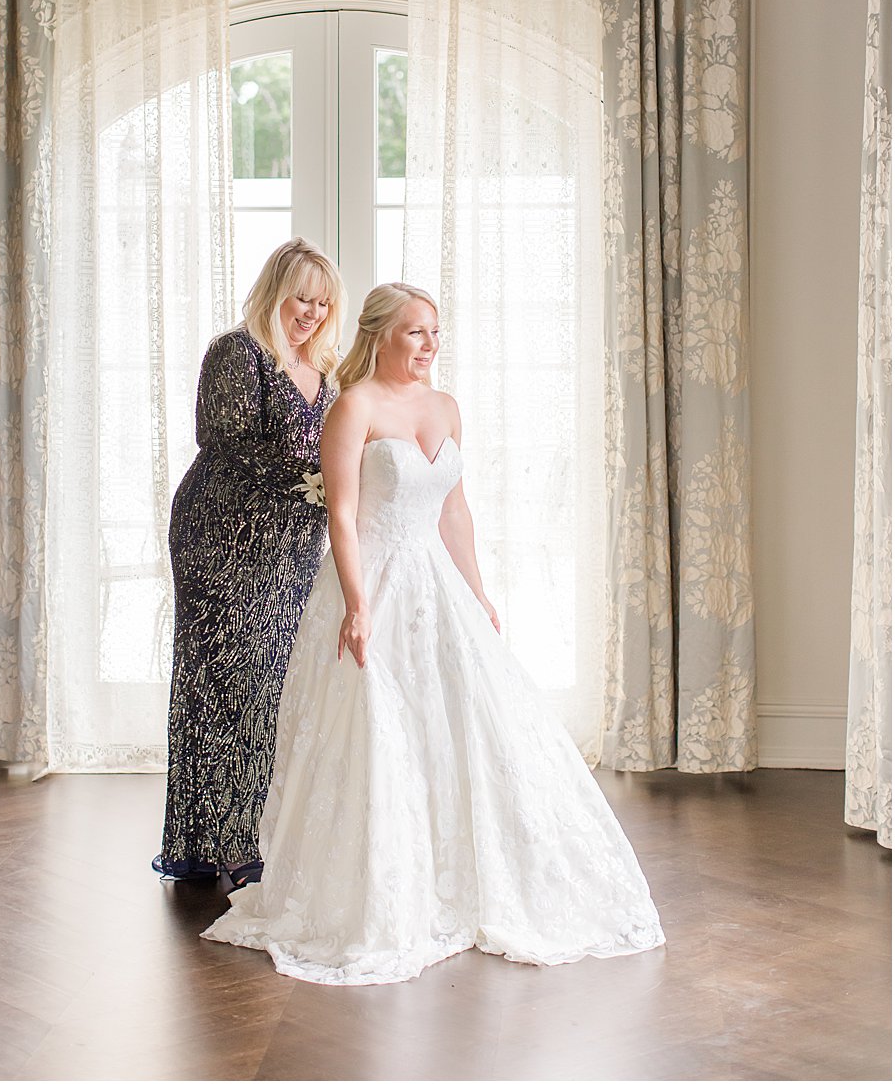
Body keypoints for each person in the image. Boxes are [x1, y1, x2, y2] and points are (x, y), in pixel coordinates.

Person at [201, 282, 665, 983]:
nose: (429, 346)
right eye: (416, 332)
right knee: (378, 731)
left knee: (467, 727)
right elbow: (345, 518)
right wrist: (357, 605)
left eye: (436, 333)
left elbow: (453, 512)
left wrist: (477, 592)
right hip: (375, 582)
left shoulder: (445, 407)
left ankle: (466, 877)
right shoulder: (352, 407)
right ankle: (387, 890)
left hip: (436, 586)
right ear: (381, 334)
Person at [152, 238, 346, 888]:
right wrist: (316, 483)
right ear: (273, 293)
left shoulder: (329, 367)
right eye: (301, 298)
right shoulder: (237, 352)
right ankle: (225, 843)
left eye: (323, 302)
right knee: (231, 687)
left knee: (276, 687)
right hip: (221, 539)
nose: (311, 313)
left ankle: (260, 833)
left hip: (290, 548)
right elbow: (227, 442)